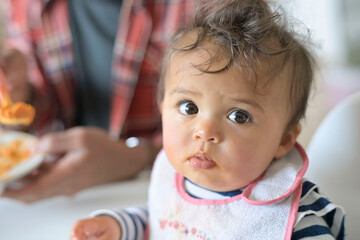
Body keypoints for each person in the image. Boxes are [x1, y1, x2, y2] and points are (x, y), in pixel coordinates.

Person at [70, 0, 345, 239]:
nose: (204, 131)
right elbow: (165, 221)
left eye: (239, 116)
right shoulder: (174, 178)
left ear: (284, 139)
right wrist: (116, 226)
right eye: (189, 107)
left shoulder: (291, 219)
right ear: (162, 107)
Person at [0, 0, 194, 203]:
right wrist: (20, 95)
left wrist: (135, 157)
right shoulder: (21, 4)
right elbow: (42, 108)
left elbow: (216, 131)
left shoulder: (197, 7)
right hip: (60, 206)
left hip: (165, 195)